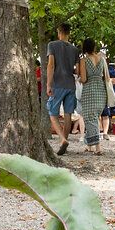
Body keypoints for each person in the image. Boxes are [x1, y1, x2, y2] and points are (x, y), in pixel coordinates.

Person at [46, 22, 79, 153]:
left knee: (52, 114)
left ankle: (62, 140)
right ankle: (64, 142)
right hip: (71, 84)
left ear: (59, 32)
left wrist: (49, 84)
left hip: (57, 83)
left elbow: (51, 65)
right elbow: (77, 69)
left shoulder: (52, 45)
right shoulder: (75, 49)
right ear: (69, 33)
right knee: (68, 114)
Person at [77, 38, 108, 152]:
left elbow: (84, 79)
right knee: (94, 117)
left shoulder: (83, 60)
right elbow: (105, 76)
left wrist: (78, 79)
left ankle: (98, 147)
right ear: (94, 47)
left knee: (90, 118)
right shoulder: (102, 59)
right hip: (100, 90)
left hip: (89, 91)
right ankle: (89, 146)